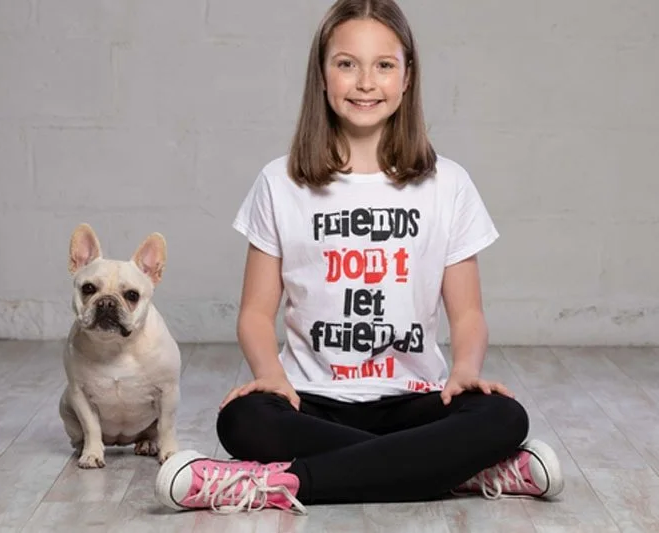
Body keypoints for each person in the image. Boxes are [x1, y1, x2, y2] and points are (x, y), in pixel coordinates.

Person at [154, 0, 564, 515]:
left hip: (415, 400)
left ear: (407, 77)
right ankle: (457, 470)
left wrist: (465, 368)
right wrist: (271, 375)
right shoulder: (279, 182)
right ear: (322, 75)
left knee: (505, 418)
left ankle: (270, 485)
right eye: (346, 63)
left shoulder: (448, 184)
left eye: (384, 65)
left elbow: (468, 313)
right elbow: (256, 313)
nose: (365, 82)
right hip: (310, 401)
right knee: (243, 420)